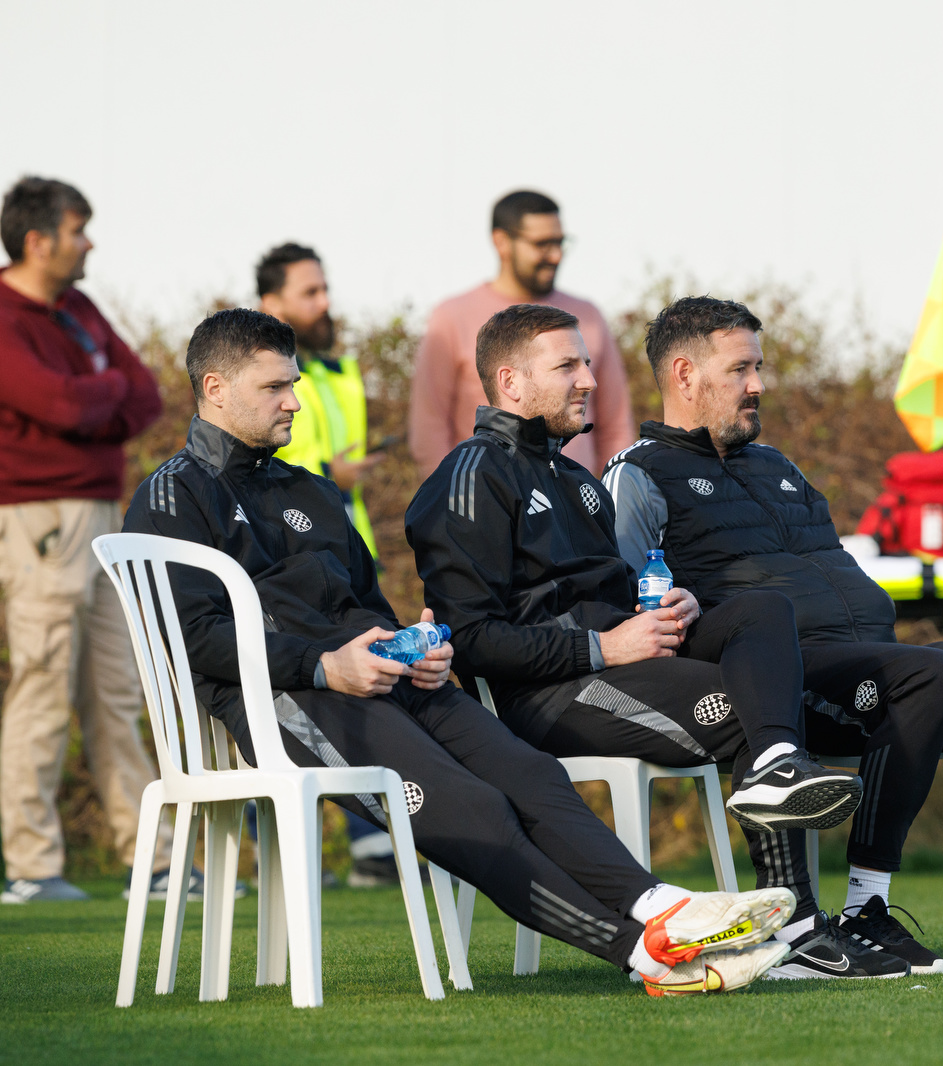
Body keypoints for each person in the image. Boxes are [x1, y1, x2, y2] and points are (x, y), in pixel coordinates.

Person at [124, 307, 795, 996]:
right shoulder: (172, 496)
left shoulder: (314, 493)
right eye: (274, 388)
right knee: (472, 809)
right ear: (214, 390)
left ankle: (662, 908)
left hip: (383, 679)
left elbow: (364, 609)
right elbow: (192, 637)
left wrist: (418, 647)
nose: (295, 400)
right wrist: (324, 666)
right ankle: (648, 955)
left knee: (532, 776)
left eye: (292, 383)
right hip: (285, 700)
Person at [604, 296, 943, 972]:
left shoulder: (779, 467)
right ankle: (865, 911)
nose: (758, 385)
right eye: (740, 370)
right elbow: (626, 608)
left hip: (881, 666)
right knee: (924, 675)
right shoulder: (639, 474)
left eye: (759, 367)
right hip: (787, 681)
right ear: (683, 374)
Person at [404, 303, 894, 980]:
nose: (590, 380)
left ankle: (777, 768)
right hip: (547, 699)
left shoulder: (577, 481)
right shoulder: (468, 478)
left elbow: (611, 602)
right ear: (511, 382)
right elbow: (476, 641)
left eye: (587, 363)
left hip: (622, 666)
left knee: (759, 612)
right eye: (568, 365)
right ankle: (801, 930)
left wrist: (669, 609)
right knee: (740, 701)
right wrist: (604, 648)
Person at [0, 176, 172, 904]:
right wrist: (94, 396)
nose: (89, 241)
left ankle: (157, 864)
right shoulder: (5, 315)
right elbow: (62, 402)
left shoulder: (79, 309)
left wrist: (88, 401)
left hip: (106, 515)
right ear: (37, 240)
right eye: (79, 229)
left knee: (116, 689)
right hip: (40, 524)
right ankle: (32, 870)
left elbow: (147, 392)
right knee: (41, 688)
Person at [257, 241, 394, 886]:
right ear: (271, 302)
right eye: (309, 292)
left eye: (324, 289)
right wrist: (331, 475)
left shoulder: (340, 371)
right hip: (279, 563)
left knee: (367, 673)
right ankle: (274, 853)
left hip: (342, 550)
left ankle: (373, 849)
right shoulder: (257, 380)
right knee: (275, 689)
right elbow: (261, 473)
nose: (324, 302)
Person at [409, 190, 632, 478]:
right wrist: (456, 501)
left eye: (560, 242)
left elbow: (616, 423)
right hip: (490, 506)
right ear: (501, 242)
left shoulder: (588, 317)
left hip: (577, 511)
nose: (555, 255)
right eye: (542, 244)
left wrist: (605, 500)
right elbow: (429, 425)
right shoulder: (452, 318)